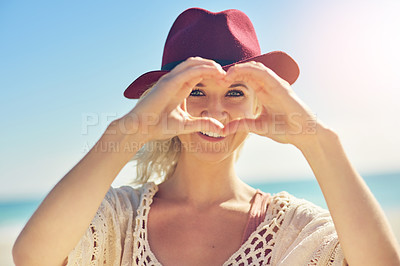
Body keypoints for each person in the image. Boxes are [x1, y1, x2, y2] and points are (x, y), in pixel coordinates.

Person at [13, 7, 400, 266]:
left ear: (258, 104)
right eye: (195, 90)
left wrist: (318, 140)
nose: (215, 113)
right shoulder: (120, 218)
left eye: (235, 92)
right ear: (164, 98)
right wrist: (129, 130)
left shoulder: (291, 230)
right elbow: (32, 256)